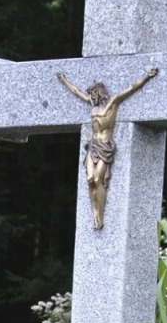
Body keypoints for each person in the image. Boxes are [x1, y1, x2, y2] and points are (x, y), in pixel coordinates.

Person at [56, 67, 158, 229]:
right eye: (90, 94)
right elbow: (76, 91)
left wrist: (146, 77)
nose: (91, 96)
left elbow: (131, 89)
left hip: (105, 146)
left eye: (93, 93)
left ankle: (99, 217)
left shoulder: (112, 103)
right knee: (90, 179)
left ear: (99, 92)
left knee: (98, 180)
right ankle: (95, 213)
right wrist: (63, 80)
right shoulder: (92, 104)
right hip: (92, 146)